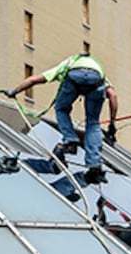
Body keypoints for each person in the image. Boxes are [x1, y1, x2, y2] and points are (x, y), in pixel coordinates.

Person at [7, 53, 118, 183]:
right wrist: (112, 123)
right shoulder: (99, 72)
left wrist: (15, 91)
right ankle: (94, 164)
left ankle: (70, 141)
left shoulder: (66, 65)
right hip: (96, 82)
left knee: (61, 109)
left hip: (73, 78)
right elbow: (113, 96)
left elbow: (33, 80)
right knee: (93, 123)